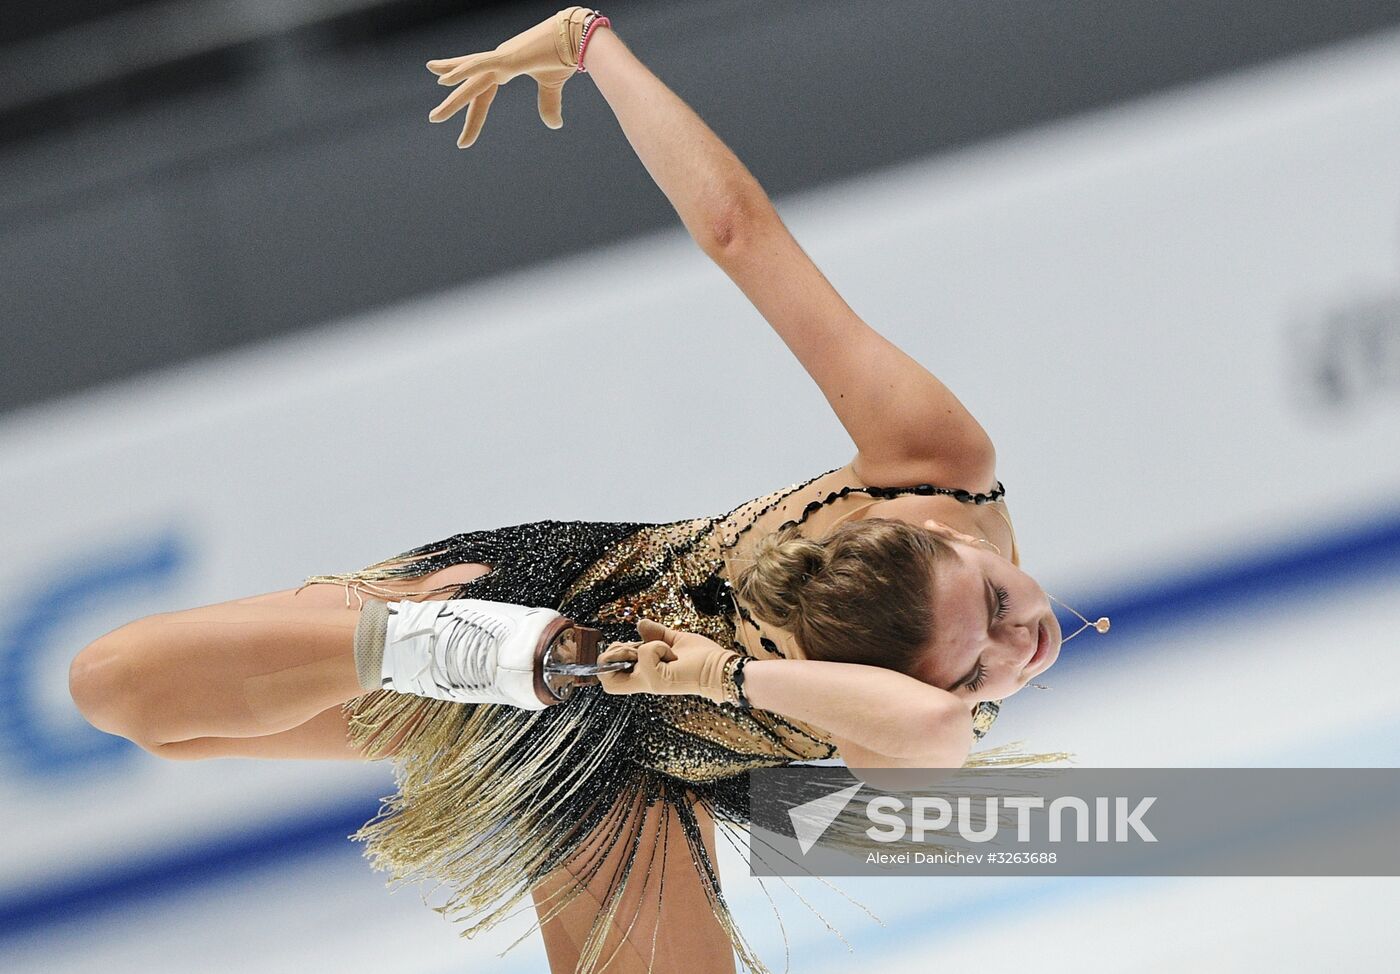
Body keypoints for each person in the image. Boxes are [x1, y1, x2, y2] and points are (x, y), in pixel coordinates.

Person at [66, 8, 1104, 973]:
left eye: (973, 666)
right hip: (540, 599)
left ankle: (482, 658)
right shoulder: (930, 460)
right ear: (943, 541)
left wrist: (713, 681)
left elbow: (923, 736)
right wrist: (590, 38)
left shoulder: (915, 712)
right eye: (997, 597)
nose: (1021, 640)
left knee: (150, 707)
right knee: (121, 691)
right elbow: (741, 235)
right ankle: (433, 643)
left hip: (630, 761)